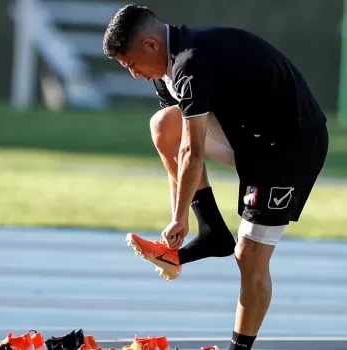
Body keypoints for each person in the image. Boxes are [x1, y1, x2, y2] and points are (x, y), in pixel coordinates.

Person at [101, 4, 329, 350]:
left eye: (131, 65)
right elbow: (179, 144)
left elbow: (192, 152)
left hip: (289, 148)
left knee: (250, 256)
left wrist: (177, 220)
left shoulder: (190, 63)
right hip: (249, 141)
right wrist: (180, 222)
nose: (134, 74)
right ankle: (211, 231)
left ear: (150, 45)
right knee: (163, 124)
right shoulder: (166, 71)